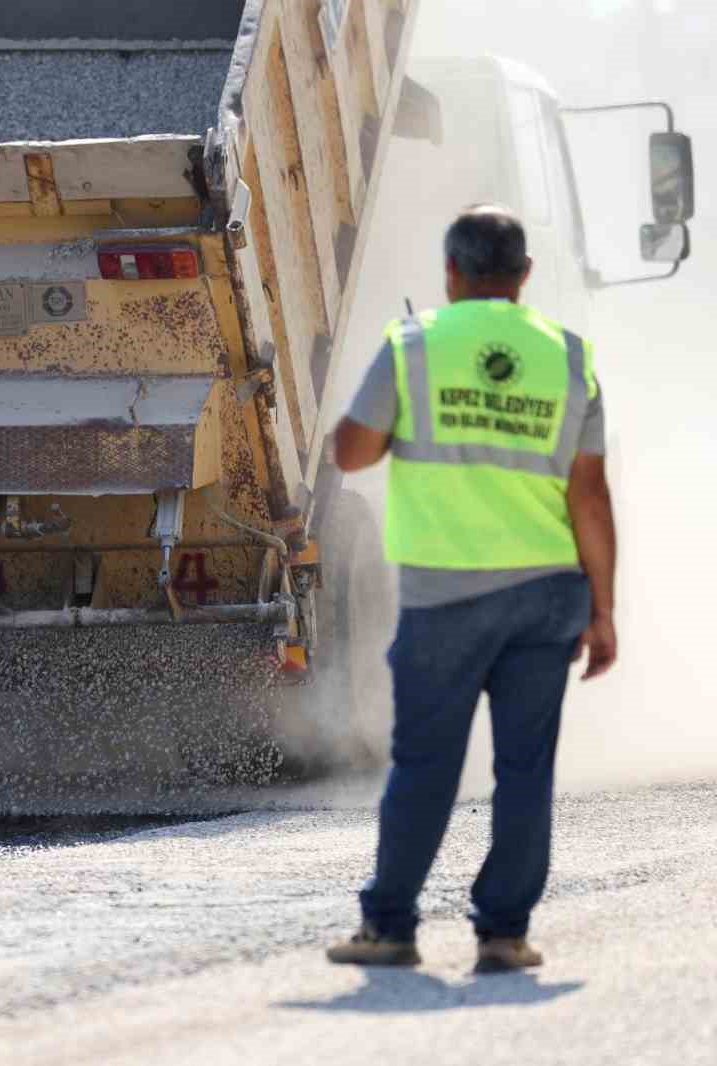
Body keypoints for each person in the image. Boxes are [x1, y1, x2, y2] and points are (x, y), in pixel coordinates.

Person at [325, 205, 617, 973]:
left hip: (444, 600)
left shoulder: (413, 346)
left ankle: (389, 929)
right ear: (523, 277)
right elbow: (590, 496)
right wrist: (604, 610)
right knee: (525, 769)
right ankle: (504, 934)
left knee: (425, 764)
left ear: (450, 274)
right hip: (548, 595)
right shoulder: (570, 357)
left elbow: (351, 456)